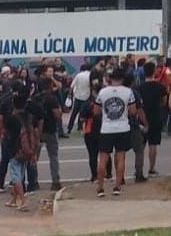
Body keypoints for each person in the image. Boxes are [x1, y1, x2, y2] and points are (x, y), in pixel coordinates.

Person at [95, 67, 137, 197]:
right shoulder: (128, 92)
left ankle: (101, 188)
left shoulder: (102, 92)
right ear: (123, 79)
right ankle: (117, 186)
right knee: (121, 158)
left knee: (103, 159)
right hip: (123, 128)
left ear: (110, 78)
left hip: (106, 128)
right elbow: (133, 111)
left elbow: (96, 111)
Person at [6, 96, 36, 212]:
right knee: (20, 174)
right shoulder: (28, 117)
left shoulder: (12, 118)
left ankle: (23, 201)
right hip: (27, 149)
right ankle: (14, 199)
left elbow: (6, 131)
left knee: (16, 176)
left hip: (16, 149)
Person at [140, 62, 167, 176]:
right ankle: (151, 168)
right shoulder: (160, 87)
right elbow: (164, 102)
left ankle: (139, 169)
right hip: (156, 117)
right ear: (154, 71)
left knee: (140, 146)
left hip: (142, 118)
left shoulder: (139, 87)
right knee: (153, 145)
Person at [36, 78, 63, 191]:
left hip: (37, 130)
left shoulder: (36, 98)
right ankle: (55, 181)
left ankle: (33, 181)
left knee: (34, 157)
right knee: (53, 156)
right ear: (50, 86)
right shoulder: (52, 99)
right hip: (50, 130)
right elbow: (57, 115)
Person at [67, 64, 92, 134]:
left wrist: (69, 94)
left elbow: (72, 86)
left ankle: (69, 128)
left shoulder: (78, 75)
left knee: (74, 113)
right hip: (87, 97)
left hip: (78, 97)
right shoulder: (91, 75)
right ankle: (80, 127)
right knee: (83, 113)